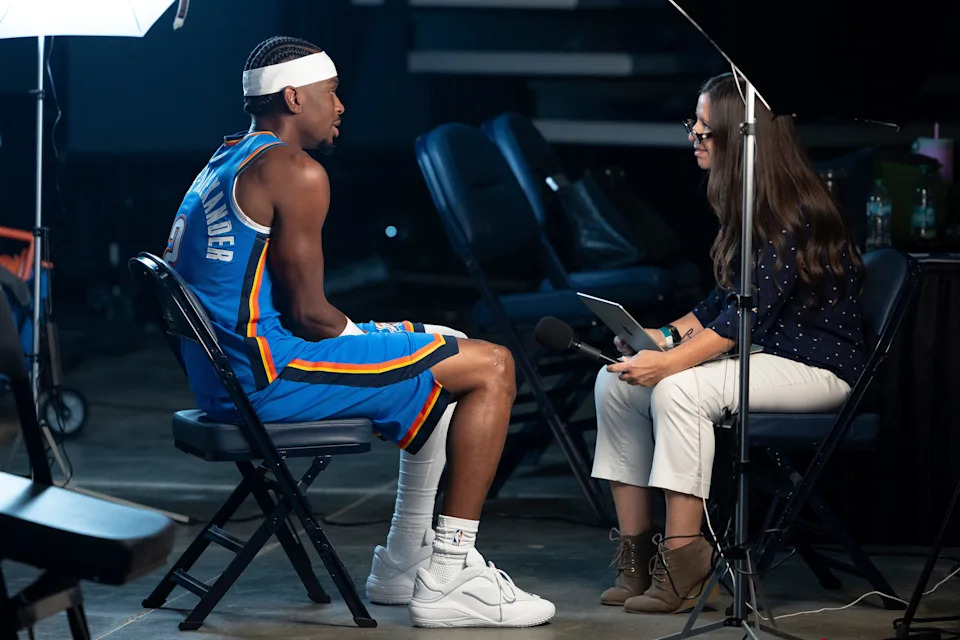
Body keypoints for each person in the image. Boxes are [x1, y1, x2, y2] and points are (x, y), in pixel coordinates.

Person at [161, 35, 554, 629]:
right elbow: (310, 316)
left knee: (444, 348)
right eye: (331, 93)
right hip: (268, 376)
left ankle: (401, 565)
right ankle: (452, 570)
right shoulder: (295, 170)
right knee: (493, 364)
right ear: (294, 97)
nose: (341, 106)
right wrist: (375, 334)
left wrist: (393, 336)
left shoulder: (224, 160)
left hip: (228, 377)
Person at [592, 72, 866, 614]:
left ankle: (685, 563)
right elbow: (718, 308)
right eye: (694, 123)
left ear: (743, 139)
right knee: (614, 382)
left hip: (817, 367)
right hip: (764, 356)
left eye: (706, 128)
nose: (694, 133)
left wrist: (667, 363)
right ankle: (637, 557)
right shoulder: (748, 209)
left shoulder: (794, 216)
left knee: (679, 391)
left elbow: (742, 323)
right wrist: (659, 338)